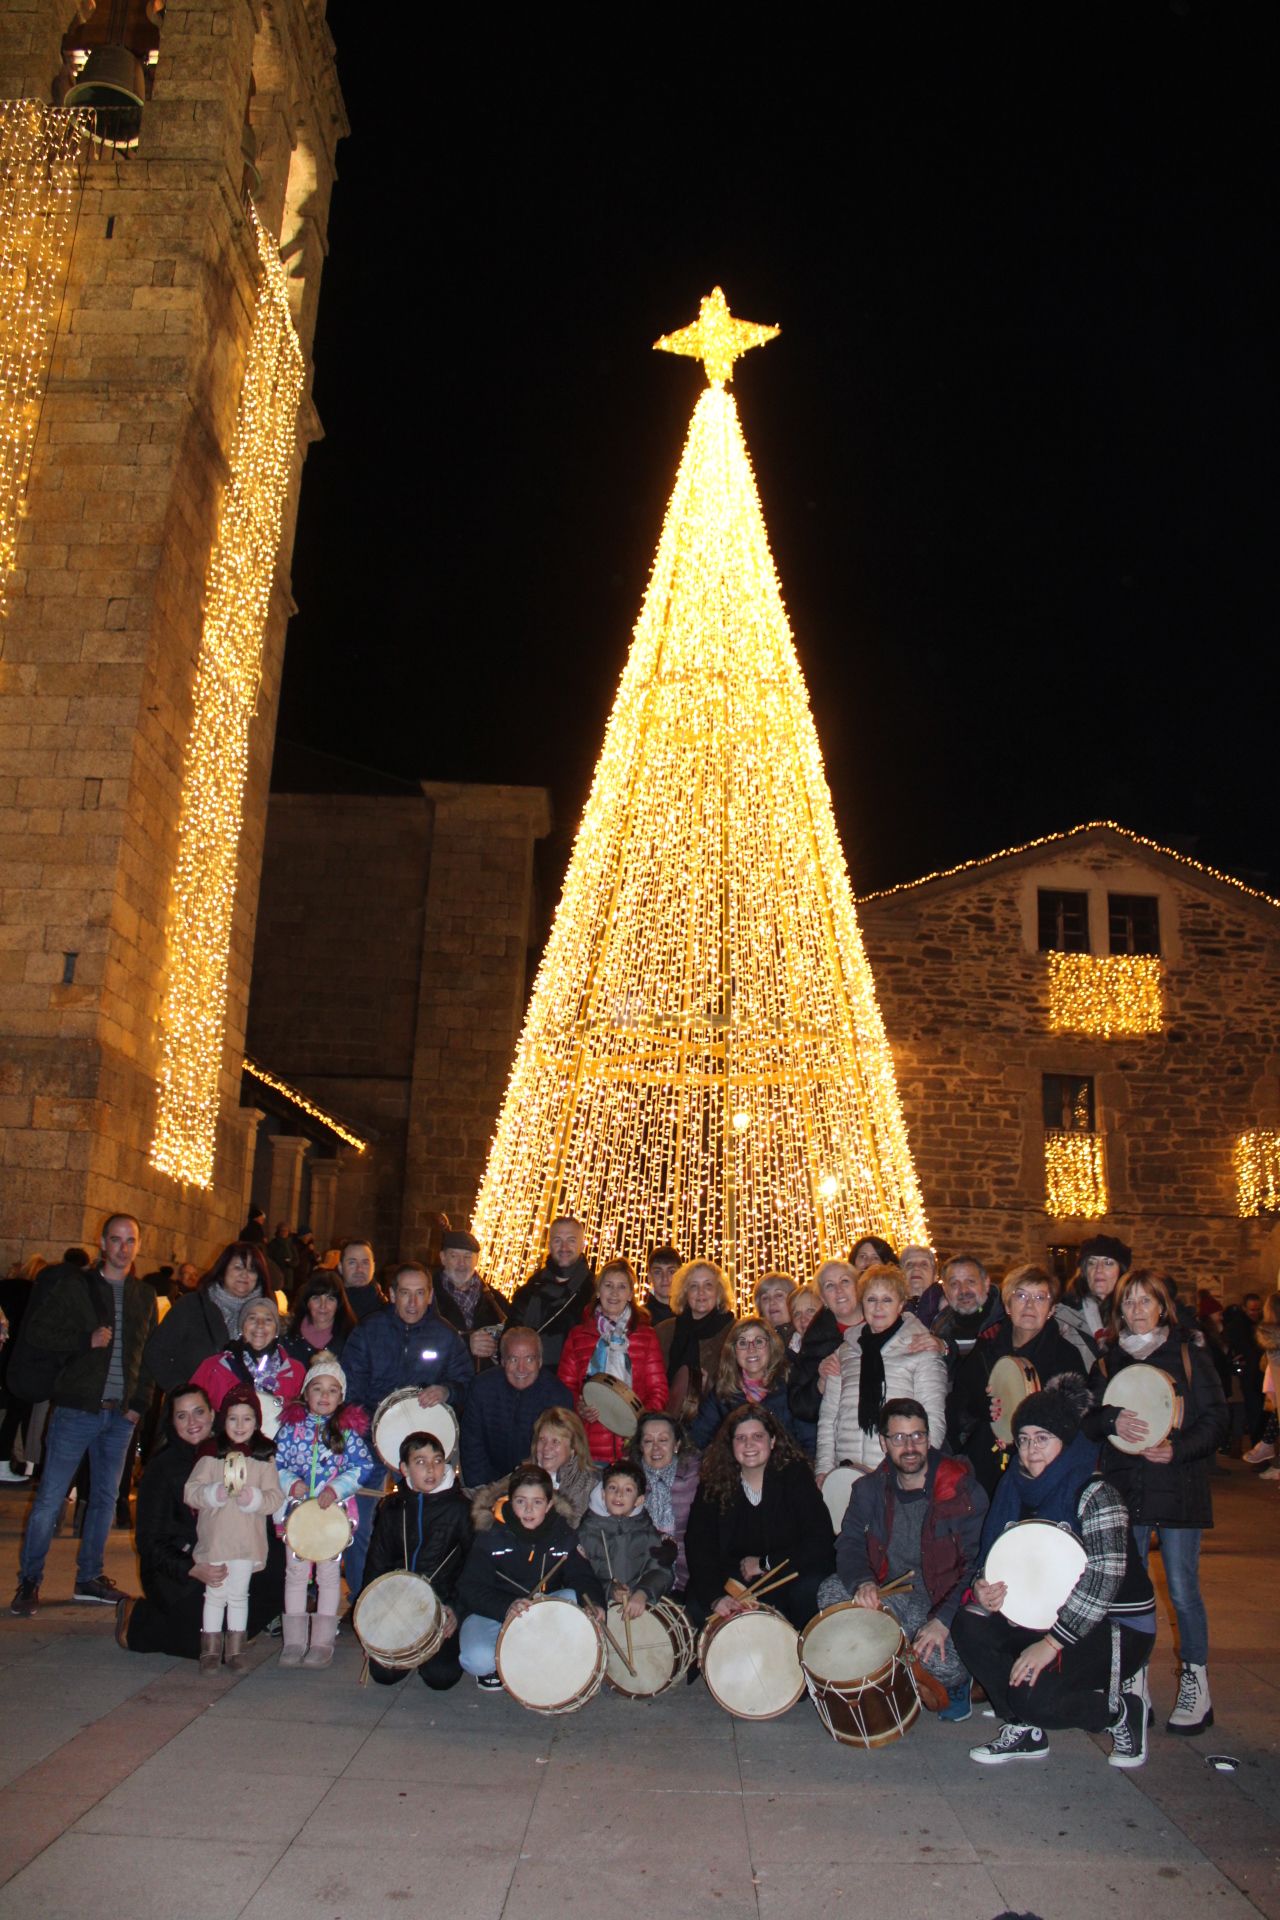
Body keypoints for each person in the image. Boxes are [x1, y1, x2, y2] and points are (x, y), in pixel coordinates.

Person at [955, 1380, 1157, 1768]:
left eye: (1043, 1439)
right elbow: (995, 1556)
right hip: (1044, 1615)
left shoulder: (1096, 1493)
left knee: (1036, 1698)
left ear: (1064, 1441)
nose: (1031, 1451)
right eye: (1025, 1439)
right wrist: (982, 1589)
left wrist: (1050, 1644)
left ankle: (1119, 1711)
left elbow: (1104, 1579)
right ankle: (1023, 1729)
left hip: (1115, 1626)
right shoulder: (1013, 1487)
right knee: (970, 1623)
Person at [1084, 1268, 1228, 1735]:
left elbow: (1216, 1419)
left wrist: (1178, 1448)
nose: (1137, 1310)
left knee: (1183, 1589)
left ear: (1163, 1306)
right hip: (1128, 1489)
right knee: (1132, 1596)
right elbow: (1086, 1419)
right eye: (1129, 1302)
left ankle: (1195, 1681)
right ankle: (1135, 1681)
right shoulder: (1108, 1360)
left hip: (1178, 1487)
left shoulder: (1187, 1354)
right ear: (1118, 1309)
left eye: (1146, 1301)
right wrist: (1110, 1421)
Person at [11, 1215, 156, 1617]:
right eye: (116, 1240)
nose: (123, 1248)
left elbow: (147, 1356)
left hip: (120, 1416)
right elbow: (38, 1332)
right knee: (50, 1499)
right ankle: (30, 1579)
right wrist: (84, 1340)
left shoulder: (144, 1295)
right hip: (77, 1408)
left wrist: (138, 1404)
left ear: (138, 1245)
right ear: (102, 1242)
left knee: (105, 1500)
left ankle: (89, 1577)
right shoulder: (76, 1286)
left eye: (130, 1240)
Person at [823, 1398, 988, 1722]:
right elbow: (851, 1543)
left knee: (946, 1664)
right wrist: (863, 1582)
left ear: (929, 1438)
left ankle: (914, 1669)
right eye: (899, 1437)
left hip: (938, 1599)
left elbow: (977, 1564)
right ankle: (895, 1667)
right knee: (830, 1594)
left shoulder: (962, 1488)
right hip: (889, 1593)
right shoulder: (868, 1489)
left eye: (918, 1436)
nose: (910, 1446)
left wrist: (942, 1621)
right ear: (884, 1442)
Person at [117, 1383, 284, 1658]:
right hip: (179, 1568)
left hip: (232, 1554)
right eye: (182, 1416)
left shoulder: (234, 1453)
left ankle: (236, 1629)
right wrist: (191, 1567)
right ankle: (137, 1618)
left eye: (198, 1412)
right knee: (201, 1644)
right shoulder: (163, 1467)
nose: (192, 1422)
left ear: (212, 1415)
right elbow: (149, 1541)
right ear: (172, 1422)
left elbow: (262, 1512)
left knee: (278, 1569)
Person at [456, 1464, 607, 1689]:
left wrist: (594, 1603)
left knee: (571, 1597)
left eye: (537, 1502)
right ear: (509, 1500)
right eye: (520, 1501)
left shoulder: (563, 1534)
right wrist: (507, 1605)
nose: (528, 1510)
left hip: (540, 1614)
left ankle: (530, 1658)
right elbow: (470, 1588)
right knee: (477, 1659)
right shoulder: (491, 1534)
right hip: (494, 1615)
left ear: (549, 1505)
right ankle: (503, 1662)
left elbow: (582, 1576)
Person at [684, 1407, 834, 1629]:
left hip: (788, 1572)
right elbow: (699, 1544)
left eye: (758, 1437)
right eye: (741, 1438)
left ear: (772, 1441)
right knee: (698, 1605)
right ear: (730, 1444)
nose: (749, 1444)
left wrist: (765, 1563)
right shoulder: (714, 1483)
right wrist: (716, 1597)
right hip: (735, 1579)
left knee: (808, 1590)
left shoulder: (796, 1475)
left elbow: (819, 1539)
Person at [274, 1353, 376, 1668]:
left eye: (332, 1390)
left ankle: (322, 1640)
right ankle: (293, 1641)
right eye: (317, 1389)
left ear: (341, 1397)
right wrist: (290, 1482)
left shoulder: (346, 1432)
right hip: (297, 1514)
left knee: (330, 1575)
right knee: (295, 1574)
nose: (324, 1396)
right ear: (306, 1393)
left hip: (333, 1517)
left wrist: (337, 1488)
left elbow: (363, 1466)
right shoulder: (291, 1429)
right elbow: (275, 1462)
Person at [359, 1428, 473, 1689]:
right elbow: (376, 1566)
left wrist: (456, 1609)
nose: (431, 1469)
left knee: (441, 1677)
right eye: (420, 1462)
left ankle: (434, 1654)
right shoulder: (392, 1508)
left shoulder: (461, 1509)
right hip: (398, 1605)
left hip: (442, 1605)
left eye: (437, 1461)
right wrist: (371, 1626)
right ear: (405, 1468)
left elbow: (474, 1568)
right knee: (384, 1675)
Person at [183, 1383, 284, 1675]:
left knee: (239, 1595)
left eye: (247, 1418)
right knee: (214, 1594)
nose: (240, 1425)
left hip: (245, 1543)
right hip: (216, 1540)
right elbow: (191, 1491)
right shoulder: (210, 1455)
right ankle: (210, 1650)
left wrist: (254, 1499)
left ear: (256, 1422)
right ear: (222, 1420)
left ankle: (237, 1648)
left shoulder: (263, 1458)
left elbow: (274, 1498)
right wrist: (213, 1493)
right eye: (233, 1418)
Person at [961, 1266, 1087, 1496]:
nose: (1030, 1305)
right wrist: (985, 1406)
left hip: (1043, 1471)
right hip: (985, 1467)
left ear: (1051, 1309)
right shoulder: (986, 1348)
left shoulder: (1066, 1356)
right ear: (1008, 1306)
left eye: (1040, 1297)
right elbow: (961, 1403)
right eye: (1021, 1296)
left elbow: (1074, 1421)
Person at [816, 1265, 947, 1475]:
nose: (878, 1308)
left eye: (887, 1300)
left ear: (900, 1305)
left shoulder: (922, 1348)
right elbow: (829, 1418)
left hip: (898, 1471)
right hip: (846, 1470)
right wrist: (823, 1470)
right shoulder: (845, 1351)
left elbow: (933, 1418)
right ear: (862, 1303)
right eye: (871, 1300)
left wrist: (917, 1472)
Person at [557, 1258, 668, 1464]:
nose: (614, 1293)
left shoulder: (646, 1336)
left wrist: (639, 1420)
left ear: (630, 1295)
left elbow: (658, 1390)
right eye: (608, 1286)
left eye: (621, 1287)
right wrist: (579, 1407)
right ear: (598, 1291)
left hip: (634, 1448)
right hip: (589, 1445)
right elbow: (564, 1387)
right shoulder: (578, 1335)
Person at [143, 1241, 272, 1393]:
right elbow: (156, 1352)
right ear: (223, 1270)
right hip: (193, 1410)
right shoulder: (191, 1305)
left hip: (242, 1412)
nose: (244, 1275)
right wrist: (183, 1391)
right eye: (238, 1267)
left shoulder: (265, 1318)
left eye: (252, 1270)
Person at [460, 1327, 572, 1487]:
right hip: (488, 1482)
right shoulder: (482, 1388)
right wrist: (483, 1491)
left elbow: (558, 1454)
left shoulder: (558, 1396)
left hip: (536, 1484)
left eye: (529, 1359)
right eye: (513, 1359)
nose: (521, 1368)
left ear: (540, 1361)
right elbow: (472, 1444)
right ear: (502, 1361)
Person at [577, 1460, 676, 1617]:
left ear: (639, 1500)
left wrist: (642, 1593)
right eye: (612, 1487)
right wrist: (610, 1590)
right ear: (603, 1494)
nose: (619, 1494)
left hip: (639, 1608)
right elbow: (580, 1577)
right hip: (600, 1610)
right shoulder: (587, 1533)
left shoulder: (647, 1533)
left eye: (628, 1489)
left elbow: (662, 1572)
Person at [786, 1260, 862, 1452]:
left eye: (845, 1281)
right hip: (843, 1441)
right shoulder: (815, 1340)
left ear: (858, 1286)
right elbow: (799, 1405)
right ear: (823, 1299)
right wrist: (819, 1386)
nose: (838, 1290)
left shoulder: (881, 1320)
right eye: (829, 1286)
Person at [506, 1217, 596, 1370]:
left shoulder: (596, 1293)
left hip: (577, 1379)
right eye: (557, 1240)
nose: (564, 1247)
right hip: (531, 1377)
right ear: (549, 1245)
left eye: (571, 1240)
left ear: (582, 1245)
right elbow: (511, 1338)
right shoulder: (528, 1292)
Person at [690, 1316, 794, 1448]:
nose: (751, 1349)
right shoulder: (723, 1391)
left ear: (771, 1346)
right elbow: (698, 1438)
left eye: (759, 1341)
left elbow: (805, 1440)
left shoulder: (790, 1384)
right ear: (733, 1351)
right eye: (743, 1343)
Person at [191, 1296, 304, 1415]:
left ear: (276, 1331)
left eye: (268, 1320)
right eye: (252, 1318)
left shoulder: (296, 1371)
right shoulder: (214, 1367)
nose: (260, 1324)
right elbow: (192, 1409)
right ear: (241, 1328)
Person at [628, 1411, 700, 1595]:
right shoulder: (628, 1481)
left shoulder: (697, 1476)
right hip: (640, 1577)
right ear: (640, 1446)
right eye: (648, 1441)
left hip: (691, 1575)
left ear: (676, 1445)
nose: (656, 1448)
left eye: (663, 1440)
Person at [656, 1259, 736, 1424]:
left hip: (715, 1424)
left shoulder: (735, 1332)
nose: (701, 1292)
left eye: (708, 1285)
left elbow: (742, 1386)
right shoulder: (663, 1331)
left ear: (719, 1292)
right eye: (694, 1286)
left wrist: (710, 1387)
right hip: (666, 1424)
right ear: (685, 1293)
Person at [432, 1228, 508, 1371]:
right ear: (442, 1258)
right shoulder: (426, 1296)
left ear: (477, 1259)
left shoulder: (496, 1301)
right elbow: (418, 1343)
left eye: (467, 1256)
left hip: (484, 1385)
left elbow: (512, 1342)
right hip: (441, 1384)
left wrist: (497, 1348)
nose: (462, 1263)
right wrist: (466, 1344)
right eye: (454, 1256)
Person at [1056, 1233, 1131, 1365]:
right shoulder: (1062, 1314)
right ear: (1084, 1272)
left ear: (1121, 1271)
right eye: (1091, 1263)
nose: (1098, 1270)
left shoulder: (1135, 1312)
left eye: (1108, 1263)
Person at [282, 1270, 357, 1365]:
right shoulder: (287, 1335)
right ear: (307, 1302)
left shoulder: (351, 1339)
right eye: (316, 1298)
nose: (323, 1306)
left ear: (339, 1304)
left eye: (330, 1299)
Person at [1225, 1292, 1267, 1458]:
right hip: (1249, 1377)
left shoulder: (1260, 1324)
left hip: (1258, 1376)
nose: (1255, 1313)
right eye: (1252, 1310)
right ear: (1244, 1309)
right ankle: (1257, 1450)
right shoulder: (1238, 1327)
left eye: (1258, 1309)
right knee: (1253, 1414)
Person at [336, 1240, 386, 1324]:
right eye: (352, 1262)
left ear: (373, 1267)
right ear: (340, 1267)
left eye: (365, 1263)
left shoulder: (387, 1310)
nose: (359, 1269)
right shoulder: (327, 1308)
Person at [900, 1246, 945, 1329]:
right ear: (901, 1275)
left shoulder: (945, 1305)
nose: (916, 1268)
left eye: (924, 1264)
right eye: (909, 1265)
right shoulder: (891, 1305)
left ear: (935, 1275)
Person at [644, 1246, 681, 1326]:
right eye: (658, 1272)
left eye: (671, 1272)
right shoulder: (638, 1318)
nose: (665, 1278)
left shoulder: (693, 1315)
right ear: (649, 1276)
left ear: (680, 1274)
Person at [785, 1285, 821, 1354]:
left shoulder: (839, 1346)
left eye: (811, 1311)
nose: (803, 1319)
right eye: (797, 1314)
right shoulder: (787, 1353)